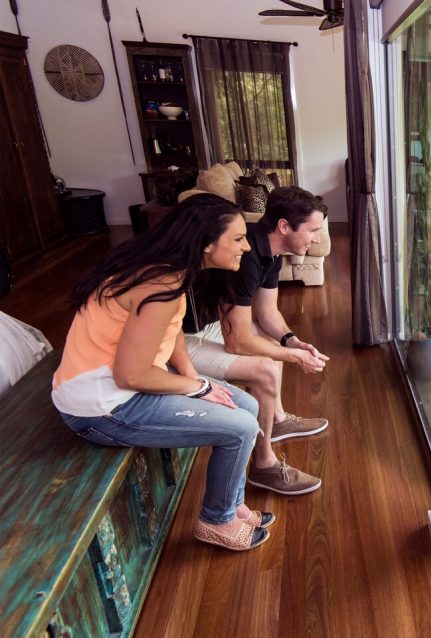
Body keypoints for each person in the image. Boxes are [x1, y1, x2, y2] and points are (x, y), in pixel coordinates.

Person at [52, 194, 272, 552]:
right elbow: (131, 376)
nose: (246, 247)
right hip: (101, 406)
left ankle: (231, 505)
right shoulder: (159, 285)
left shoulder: (167, 270)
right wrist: (196, 387)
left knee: (244, 404)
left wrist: (196, 380)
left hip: (120, 386)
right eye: (237, 238)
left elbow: (171, 335)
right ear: (204, 244)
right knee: (242, 428)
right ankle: (217, 521)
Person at [184, 186, 329, 496]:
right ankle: (263, 466)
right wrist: (292, 358)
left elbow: (266, 312)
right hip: (180, 339)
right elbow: (237, 341)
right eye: (313, 230)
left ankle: (275, 421)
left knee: (269, 343)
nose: (316, 239)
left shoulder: (271, 253)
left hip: (207, 325)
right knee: (265, 367)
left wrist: (291, 342)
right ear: (284, 226)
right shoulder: (246, 254)